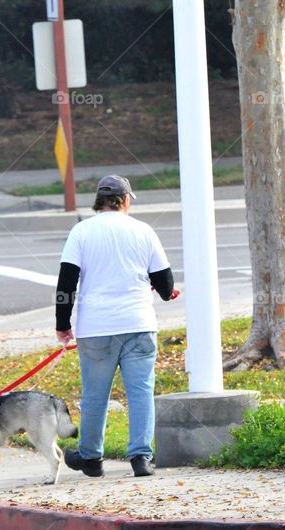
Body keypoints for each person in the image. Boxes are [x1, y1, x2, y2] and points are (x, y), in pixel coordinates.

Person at [55, 174, 180, 478]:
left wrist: (63, 324)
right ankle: (141, 457)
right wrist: (165, 294)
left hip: (96, 328)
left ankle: (91, 457)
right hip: (138, 323)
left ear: (98, 201)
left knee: (95, 394)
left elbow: (67, 281)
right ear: (125, 201)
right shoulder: (143, 230)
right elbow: (164, 280)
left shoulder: (81, 232)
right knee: (140, 391)